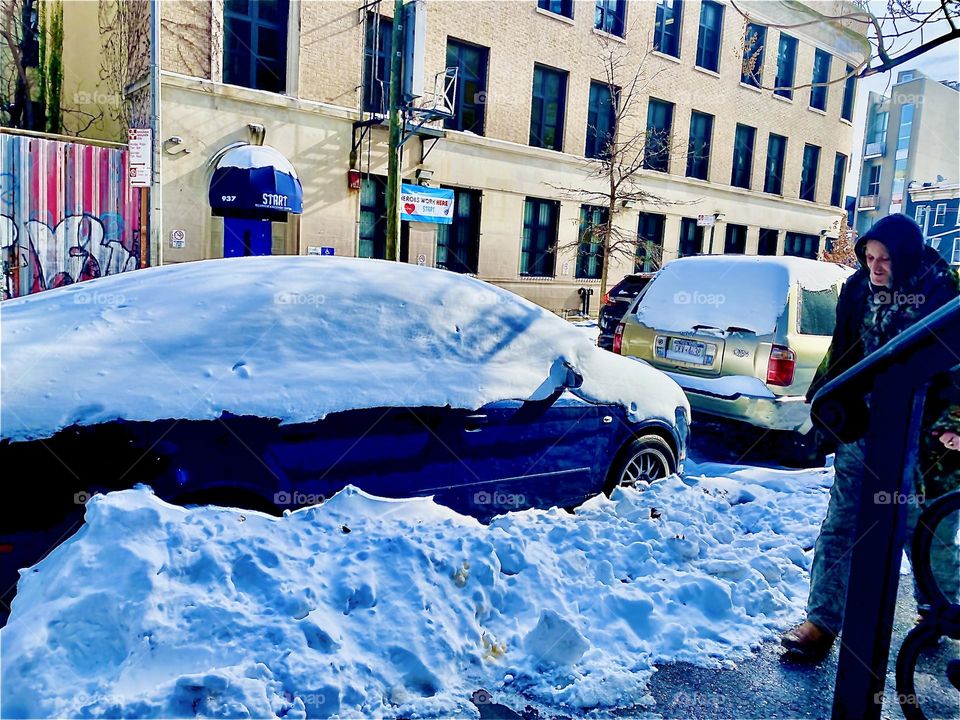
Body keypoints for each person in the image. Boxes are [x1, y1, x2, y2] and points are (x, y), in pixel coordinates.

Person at [780, 213, 960, 661]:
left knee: (927, 531)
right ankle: (821, 622)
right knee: (841, 524)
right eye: (869, 257)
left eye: (885, 259)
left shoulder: (944, 290)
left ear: (907, 257)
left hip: (929, 438)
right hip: (865, 429)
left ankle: (942, 611)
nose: (875, 267)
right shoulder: (858, 288)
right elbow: (844, 349)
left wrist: (957, 420)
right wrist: (823, 398)